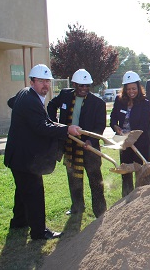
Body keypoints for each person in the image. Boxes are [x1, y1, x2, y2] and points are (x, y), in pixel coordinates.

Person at [5, 64, 81, 240]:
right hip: (25, 158)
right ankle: (39, 232)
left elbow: (12, 102)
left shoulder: (25, 94)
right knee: (34, 192)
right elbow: (41, 127)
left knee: (23, 190)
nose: (45, 85)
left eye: (48, 81)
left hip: (18, 156)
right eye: (41, 81)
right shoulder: (30, 100)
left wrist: (59, 126)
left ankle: (19, 221)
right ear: (32, 82)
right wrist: (66, 130)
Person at [47, 69, 107, 218]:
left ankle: (100, 210)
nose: (84, 89)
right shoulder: (65, 95)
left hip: (89, 147)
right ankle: (77, 206)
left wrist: (90, 140)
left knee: (95, 179)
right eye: (81, 86)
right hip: (70, 145)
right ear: (74, 84)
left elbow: (100, 126)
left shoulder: (98, 103)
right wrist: (54, 122)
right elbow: (51, 105)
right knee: (73, 178)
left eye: (87, 86)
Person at [110, 71, 150, 197]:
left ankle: (141, 200)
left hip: (140, 144)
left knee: (141, 174)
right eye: (128, 89)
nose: (131, 91)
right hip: (124, 144)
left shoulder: (145, 103)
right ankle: (127, 200)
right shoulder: (119, 101)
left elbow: (145, 124)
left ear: (139, 88)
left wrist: (131, 134)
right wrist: (115, 127)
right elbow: (113, 118)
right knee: (126, 173)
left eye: (134, 88)